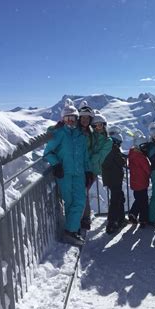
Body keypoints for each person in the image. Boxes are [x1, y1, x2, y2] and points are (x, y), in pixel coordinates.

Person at [43, 100, 91, 246]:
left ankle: (71, 231)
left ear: (76, 119)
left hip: (79, 173)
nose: (70, 121)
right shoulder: (59, 134)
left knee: (80, 201)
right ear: (63, 119)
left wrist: (88, 171)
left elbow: (85, 156)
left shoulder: (80, 135)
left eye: (72, 118)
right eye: (67, 118)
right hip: (65, 173)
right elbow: (48, 152)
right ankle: (72, 231)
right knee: (70, 202)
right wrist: (56, 164)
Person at [102, 125, 126, 234]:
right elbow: (121, 162)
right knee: (116, 200)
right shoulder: (114, 149)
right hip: (114, 178)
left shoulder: (108, 148)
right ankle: (112, 223)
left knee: (119, 197)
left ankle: (120, 219)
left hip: (112, 178)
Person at [78, 100, 96, 231]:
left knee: (84, 194)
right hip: (77, 167)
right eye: (82, 117)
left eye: (87, 118)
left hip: (88, 168)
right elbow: (51, 131)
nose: (85, 120)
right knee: (80, 194)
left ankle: (84, 219)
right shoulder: (73, 130)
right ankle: (81, 219)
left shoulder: (91, 132)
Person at [128, 130, 151, 228]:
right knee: (143, 201)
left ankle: (134, 215)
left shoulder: (132, 154)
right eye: (144, 147)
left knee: (139, 199)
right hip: (142, 182)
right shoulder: (141, 157)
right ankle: (142, 219)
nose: (145, 149)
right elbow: (147, 169)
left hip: (134, 182)